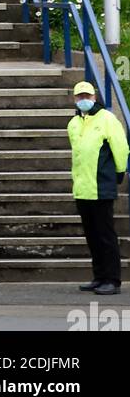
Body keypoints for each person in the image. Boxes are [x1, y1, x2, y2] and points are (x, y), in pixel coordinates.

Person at [68, 80, 128, 296]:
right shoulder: (74, 123)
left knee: (106, 235)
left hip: (101, 185)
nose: (84, 100)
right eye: (80, 96)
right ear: (75, 99)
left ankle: (112, 279)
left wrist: (119, 172)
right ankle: (99, 276)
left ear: (94, 97)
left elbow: (120, 147)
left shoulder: (107, 119)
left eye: (87, 96)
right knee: (92, 235)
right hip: (83, 187)